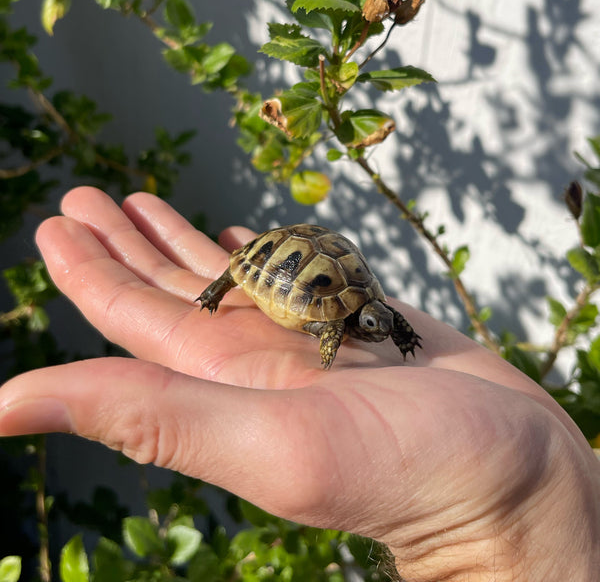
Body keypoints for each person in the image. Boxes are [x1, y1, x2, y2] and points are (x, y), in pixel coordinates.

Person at [0, 186, 598, 581]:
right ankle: (214, 290)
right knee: (231, 273)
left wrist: (533, 508)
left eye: (375, 322)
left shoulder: (377, 313)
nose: (376, 326)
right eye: (370, 324)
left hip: (321, 267)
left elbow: (387, 320)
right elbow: (319, 315)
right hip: (287, 266)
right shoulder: (332, 324)